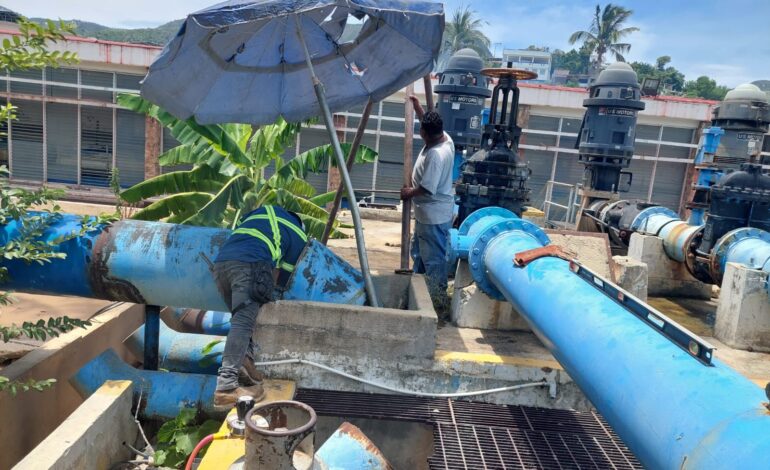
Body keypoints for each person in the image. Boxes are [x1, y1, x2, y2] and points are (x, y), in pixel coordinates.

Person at [211, 205, 308, 407]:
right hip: (249, 264)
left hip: (221, 266)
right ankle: (226, 386)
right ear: (300, 223)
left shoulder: (256, 214)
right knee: (243, 324)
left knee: (241, 319)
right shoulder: (297, 232)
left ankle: (245, 367)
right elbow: (287, 275)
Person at [400, 97, 455, 319]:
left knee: (433, 261)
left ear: (425, 134)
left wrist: (408, 193)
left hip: (432, 216)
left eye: (421, 130)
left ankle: (436, 301)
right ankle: (418, 294)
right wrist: (419, 109)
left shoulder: (436, 155)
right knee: (421, 256)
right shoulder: (444, 138)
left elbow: (427, 188)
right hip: (427, 216)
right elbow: (429, 123)